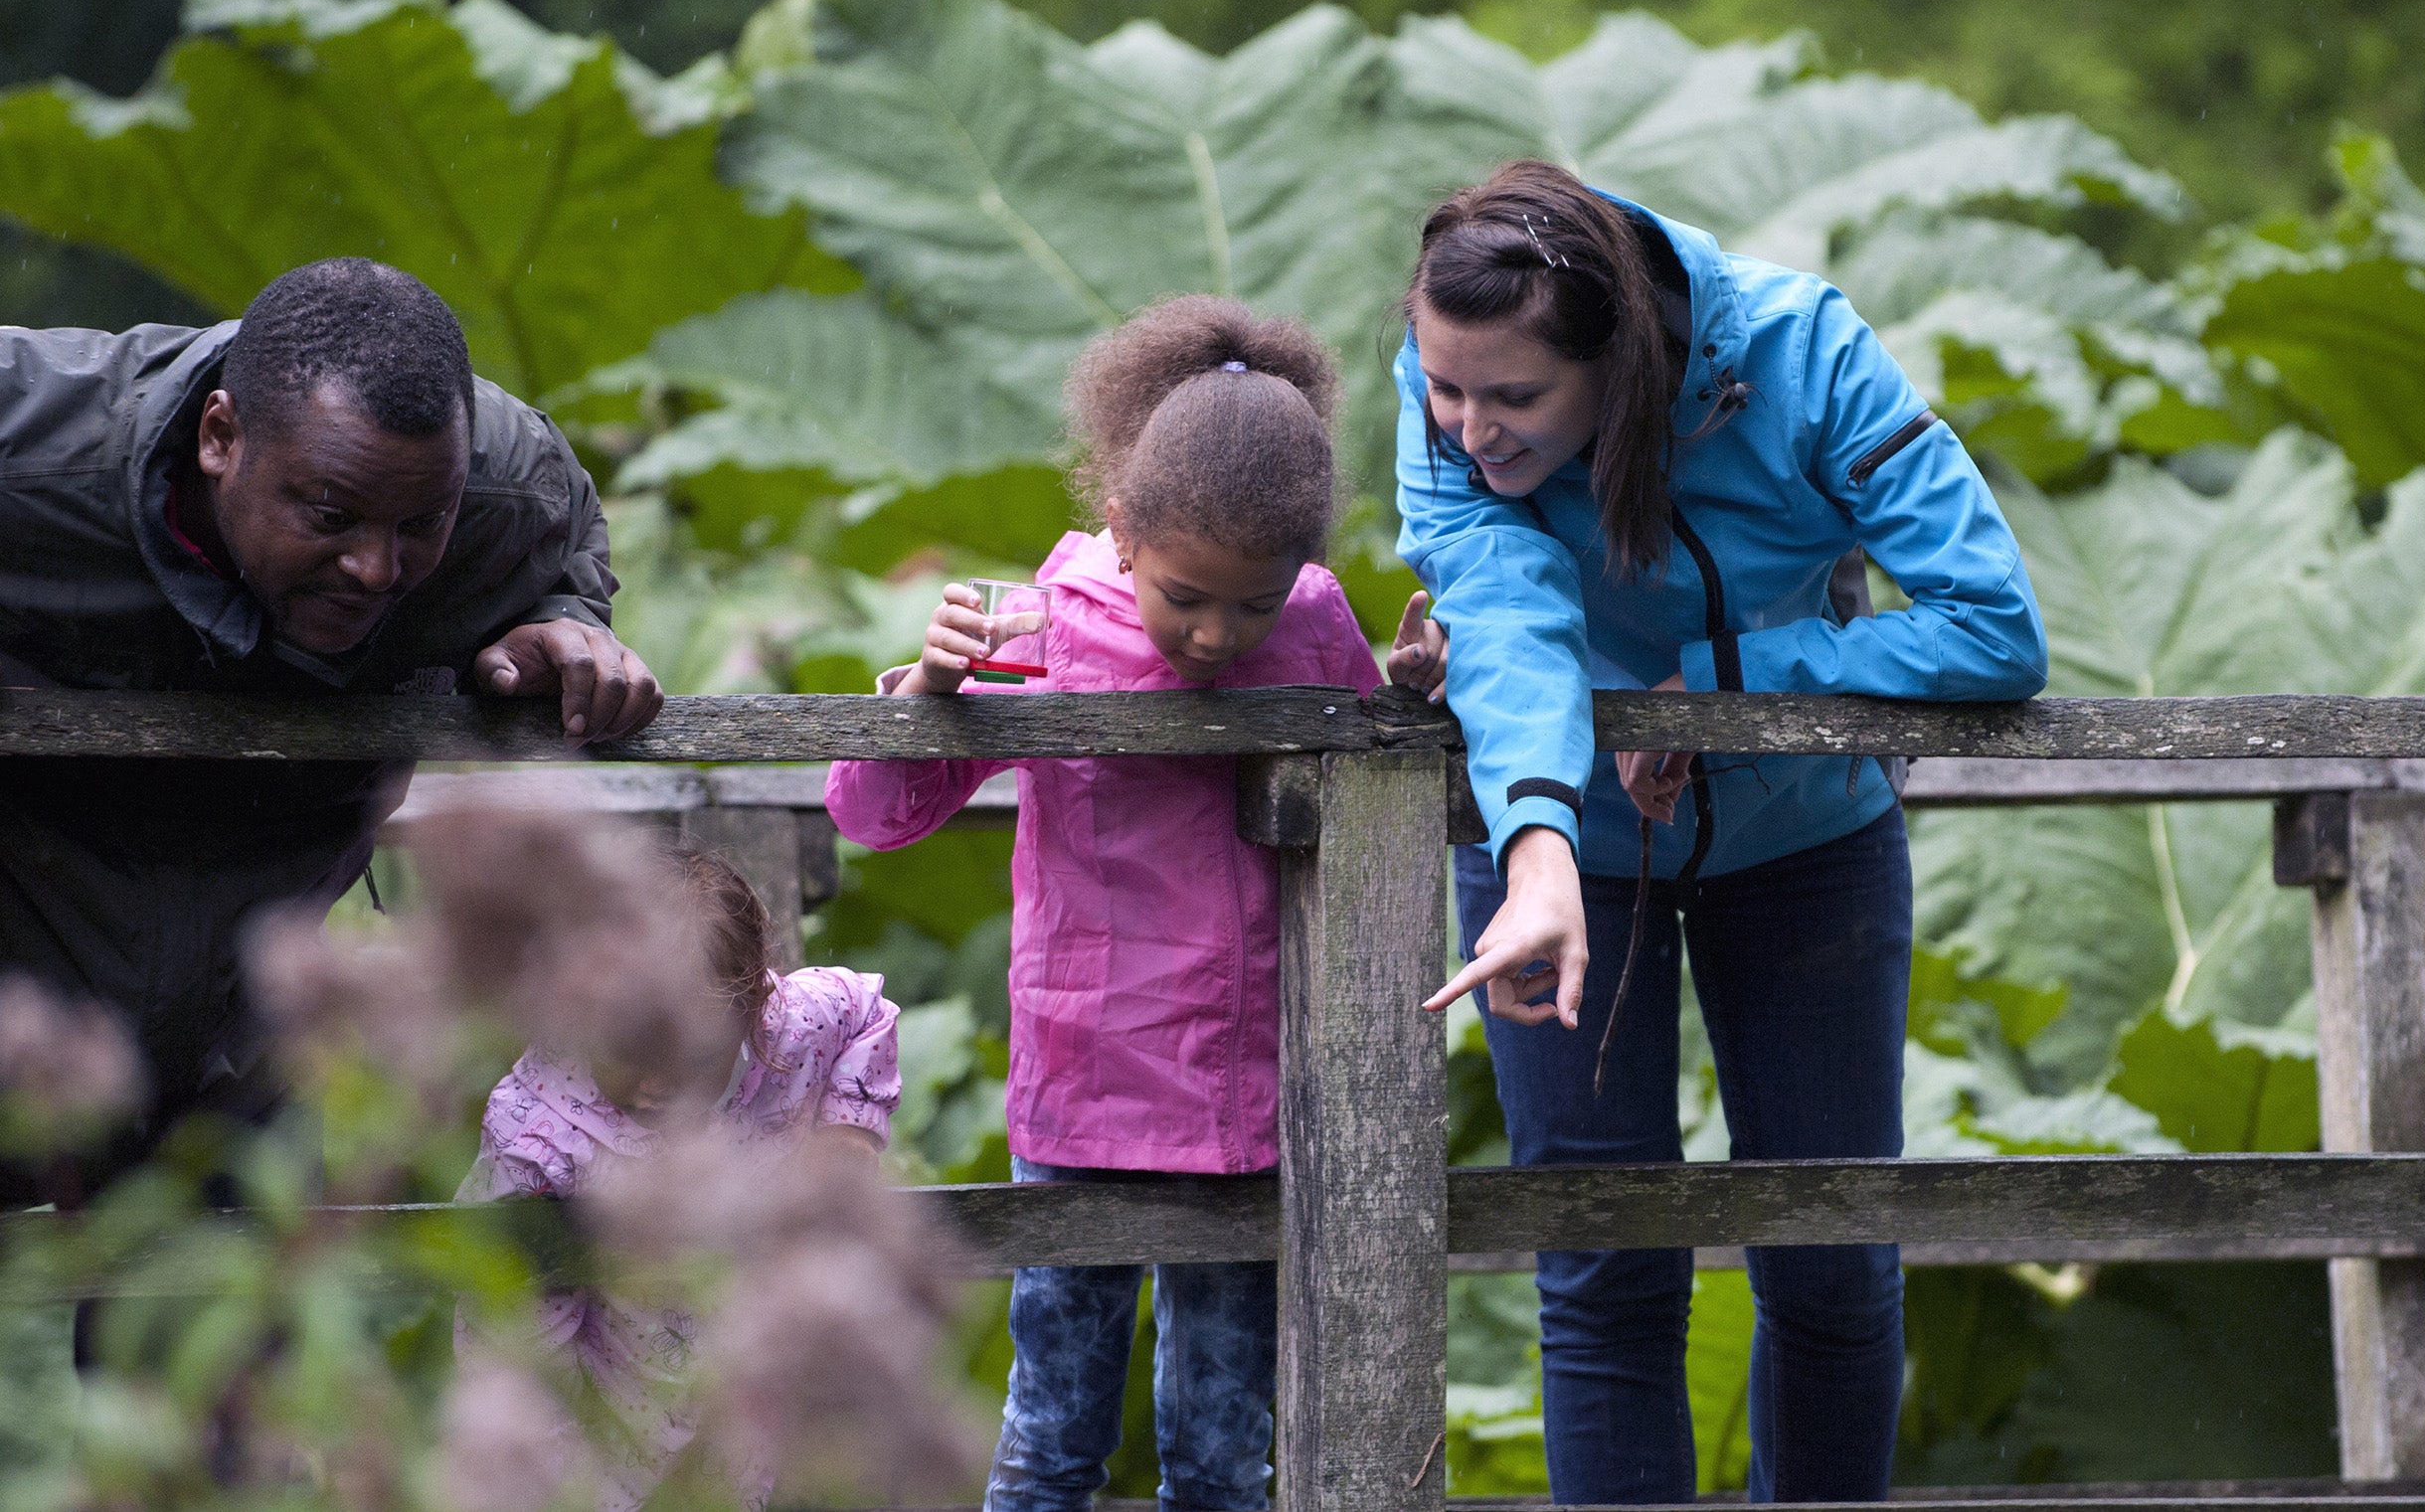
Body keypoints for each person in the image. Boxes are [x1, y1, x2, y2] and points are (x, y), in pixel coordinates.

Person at [1399, 161, 2048, 1504]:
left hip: (1808, 846)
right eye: (1443, 389)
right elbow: (1508, 619)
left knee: (1829, 1261)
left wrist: (1731, 683)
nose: (1470, 431)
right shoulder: (1448, 400)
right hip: (1558, 859)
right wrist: (1534, 849)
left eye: (1515, 398)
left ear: (1623, 361)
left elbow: (1994, 626)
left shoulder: (1806, 352)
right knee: (1604, 1267)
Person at [825, 295, 1447, 1512]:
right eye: (1184, 597)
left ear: (1303, 575)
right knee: (1052, 1432)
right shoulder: (1041, 619)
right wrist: (927, 695)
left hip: (1249, 1096)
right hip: (1080, 1088)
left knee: (1222, 1450)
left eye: (1250, 604)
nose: (1218, 633)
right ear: (1119, 530)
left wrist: (1415, 706)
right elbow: (875, 813)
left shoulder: (1314, 621)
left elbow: (1378, 775)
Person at [0, 257, 664, 1198]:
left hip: (250, 1040)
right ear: (220, 436)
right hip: (24, 988)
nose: (374, 568)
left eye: (419, 525)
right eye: (330, 515)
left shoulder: (507, 490)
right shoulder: (30, 442)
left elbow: (561, 549)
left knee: (236, 1327)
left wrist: (569, 625)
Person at [461, 847, 902, 1512]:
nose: (657, 1079)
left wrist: (849, 1134)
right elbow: (517, 1344)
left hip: (752, 1397)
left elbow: (866, 1012)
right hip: (604, 1433)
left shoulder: (791, 1028)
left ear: (754, 1006)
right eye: (630, 1047)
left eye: (688, 1048)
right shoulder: (540, 1134)